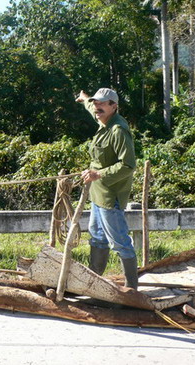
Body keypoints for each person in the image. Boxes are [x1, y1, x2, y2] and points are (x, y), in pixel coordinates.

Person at [76, 88, 138, 289]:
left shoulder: (118, 130)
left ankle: (131, 289)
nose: (97, 107)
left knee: (119, 242)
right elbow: (90, 108)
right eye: (95, 103)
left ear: (114, 106)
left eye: (102, 103)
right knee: (97, 236)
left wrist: (98, 174)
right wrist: (85, 99)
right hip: (97, 193)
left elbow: (128, 165)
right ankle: (94, 283)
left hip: (110, 196)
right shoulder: (103, 121)